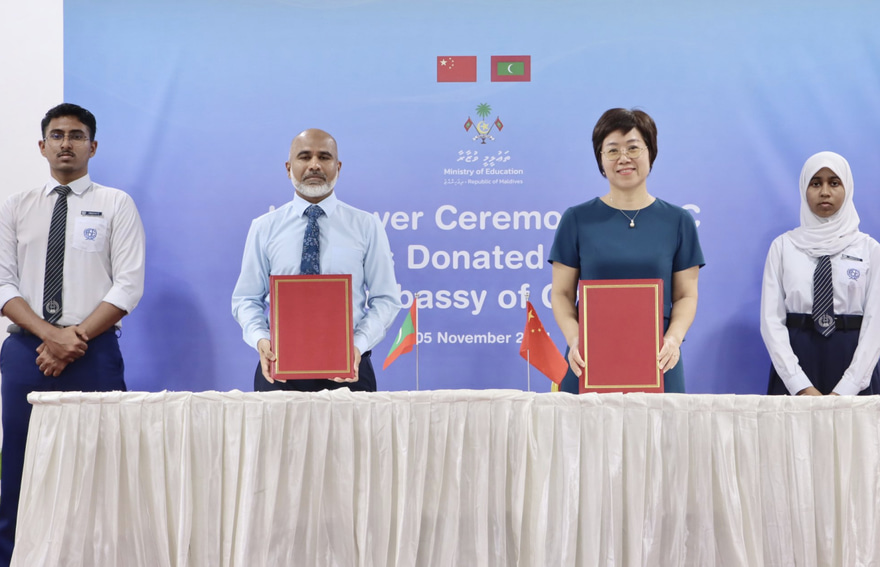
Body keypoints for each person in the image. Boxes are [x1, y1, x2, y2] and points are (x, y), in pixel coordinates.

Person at [0, 103, 145, 564]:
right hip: (26, 350)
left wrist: (74, 337)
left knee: (103, 462)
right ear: (42, 146)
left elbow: (128, 285)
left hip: (94, 351)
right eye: (57, 135)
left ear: (93, 147)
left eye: (77, 135)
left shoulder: (116, 204)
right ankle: (11, 556)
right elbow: (3, 283)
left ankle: (101, 556)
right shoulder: (15, 206)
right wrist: (50, 335)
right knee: (21, 461)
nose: (67, 143)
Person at [231, 128, 401, 392]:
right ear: (288, 167)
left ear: (338, 167)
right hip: (279, 370)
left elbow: (386, 299)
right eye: (304, 157)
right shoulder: (264, 227)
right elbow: (246, 299)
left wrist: (357, 345)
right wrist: (261, 339)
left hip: (350, 371)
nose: (314, 165)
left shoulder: (366, 226)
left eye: (324, 157)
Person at [548, 108, 704, 394]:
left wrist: (673, 339)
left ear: (650, 152)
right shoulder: (576, 219)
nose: (623, 158)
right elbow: (561, 294)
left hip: (659, 361)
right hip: (588, 359)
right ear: (600, 159)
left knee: (658, 425)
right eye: (612, 150)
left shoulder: (678, 221)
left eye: (633, 148)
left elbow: (686, 295)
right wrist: (574, 339)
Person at [761, 151, 880, 396]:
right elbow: (771, 320)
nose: (825, 192)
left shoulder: (869, 249)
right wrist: (798, 384)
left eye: (834, 183)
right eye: (816, 183)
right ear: (804, 189)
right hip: (796, 362)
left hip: (854, 362)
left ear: (847, 188)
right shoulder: (783, 247)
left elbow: (876, 323)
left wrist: (848, 387)